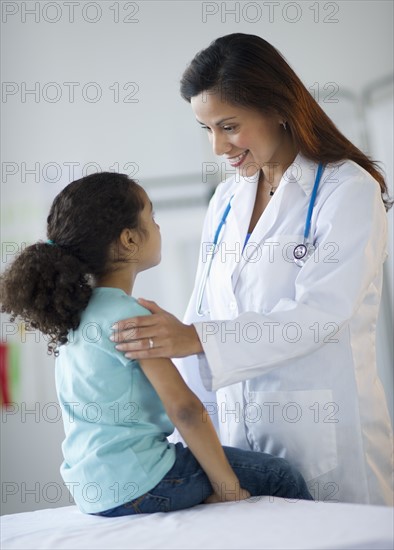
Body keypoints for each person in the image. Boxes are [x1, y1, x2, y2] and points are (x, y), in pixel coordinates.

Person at [111, 33, 394, 506]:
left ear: (277, 108)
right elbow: (203, 308)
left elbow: (319, 315)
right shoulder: (226, 200)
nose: (219, 146)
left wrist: (196, 337)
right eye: (207, 130)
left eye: (229, 126)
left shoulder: (346, 189)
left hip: (324, 439)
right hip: (240, 436)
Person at [0, 172, 312, 516]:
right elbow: (186, 410)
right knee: (280, 476)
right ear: (130, 239)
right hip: (145, 481)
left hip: (95, 492)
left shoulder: (76, 314)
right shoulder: (130, 317)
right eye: (152, 216)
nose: (158, 227)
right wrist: (228, 488)